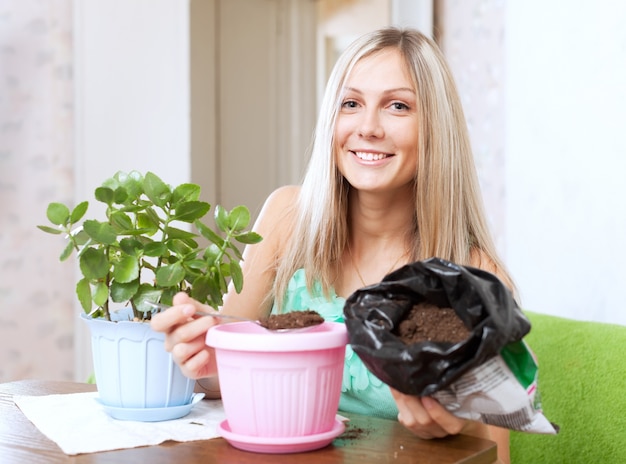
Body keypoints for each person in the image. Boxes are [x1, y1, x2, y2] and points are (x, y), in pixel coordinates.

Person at [151, 26, 513, 463]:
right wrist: (209, 359)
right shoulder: (287, 218)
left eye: (398, 106)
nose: (368, 127)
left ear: (437, 129)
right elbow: (220, 381)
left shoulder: (475, 277)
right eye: (351, 103)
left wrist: (460, 423)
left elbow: (496, 455)